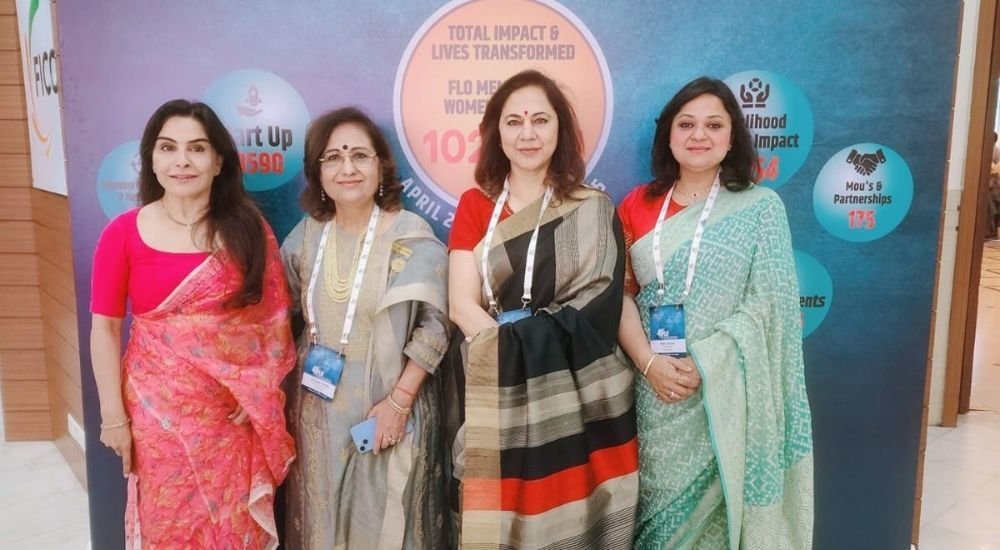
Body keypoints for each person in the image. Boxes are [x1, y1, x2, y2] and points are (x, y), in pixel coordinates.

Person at [616, 77, 814, 549]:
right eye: (686, 124)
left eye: (713, 125)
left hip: (730, 394)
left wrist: (709, 361)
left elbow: (771, 306)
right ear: (668, 135)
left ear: (731, 137)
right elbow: (620, 297)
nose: (699, 135)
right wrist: (649, 363)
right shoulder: (637, 205)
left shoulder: (761, 208)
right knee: (658, 523)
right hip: (654, 392)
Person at [90, 99, 296, 549]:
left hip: (229, 418)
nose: (181, 160)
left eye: (197, 148)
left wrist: (257, 390)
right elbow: (104, 329)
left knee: (232, 528)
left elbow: (271, 323)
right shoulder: (122, 233)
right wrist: (113, 417)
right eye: (168, 148)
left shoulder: (249, 230)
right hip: (156, 416)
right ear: (151, 159)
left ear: (219, 161)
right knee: (168, 524)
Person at [446, 69, 639, 548]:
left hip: (580, 394)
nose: (527, 134)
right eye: (513, 122)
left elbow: (599, 304)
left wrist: (528, 355)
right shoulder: (476, 205)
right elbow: (461, 304)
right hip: (493, 381)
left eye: (540, 120)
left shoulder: (592, 207)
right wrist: (510, 360)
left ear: (560, 129)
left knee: (567, 515)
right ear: (496, 133)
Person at [281, 107, 450, 549]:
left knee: (388, 528)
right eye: (333, 157)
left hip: (390, 410)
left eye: (360, 155)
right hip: (317, 418)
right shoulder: (304, 239)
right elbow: (280, 317)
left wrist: (399, 401)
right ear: (318, 173)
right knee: (321, 529)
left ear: (381, 167)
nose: (348, 168)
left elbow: (435, 326)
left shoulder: (411, 235)